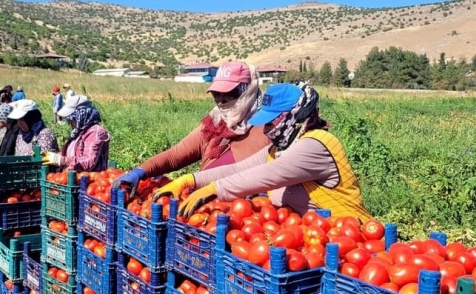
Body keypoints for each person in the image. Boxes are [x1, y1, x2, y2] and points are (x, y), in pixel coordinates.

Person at [171, 83, 372, 221]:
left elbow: (268, 174)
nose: (265, 128)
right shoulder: (278, 149)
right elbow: (238, 169)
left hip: (351, 240)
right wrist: (190, 180)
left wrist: (214, 189)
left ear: (295, 115)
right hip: (311, 240)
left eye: (271, 121)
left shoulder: (316, 145)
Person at [112, 61, 270, 195]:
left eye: (230, 92)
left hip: (239, 220)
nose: (221, 101)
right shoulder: (214, 125)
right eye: (216, 94)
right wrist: (141, 171)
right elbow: (175, 155)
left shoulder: (266, 129)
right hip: (201, 212)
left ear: (247, 91)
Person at [42, 95, 110, 172]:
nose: (68, 122)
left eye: (71, 118)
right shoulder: (78, 131)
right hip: (73, 177)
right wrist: (54, 156)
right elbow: (70, 154)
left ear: (80, 116)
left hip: (90, 180)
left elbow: (89, 161)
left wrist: (62, 160)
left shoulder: (95, 132)